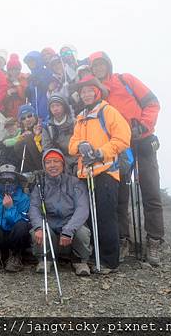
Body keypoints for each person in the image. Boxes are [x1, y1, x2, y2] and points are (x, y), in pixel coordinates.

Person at [90, 51, 164, 265]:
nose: (99, 68)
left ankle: (154, 240)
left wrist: (144, 123)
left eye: (102, 64)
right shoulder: (98, 92)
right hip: (119, 145)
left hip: (142, 139)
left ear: (108, 65)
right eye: (95, 66)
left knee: (150, 190)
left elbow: (152, 102)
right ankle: (123, 238)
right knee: (121, 194)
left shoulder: (125, 79)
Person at [69, 74, 131, 273]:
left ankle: (108, 261)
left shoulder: (108, 111)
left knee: (105, 217)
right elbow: (71, 146)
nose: (86, 94)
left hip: (105, 172)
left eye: (89, 90)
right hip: (85, 175)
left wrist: (100, 152)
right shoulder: (81, 118)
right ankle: (93, 257)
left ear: (97, 92)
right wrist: (81, 145)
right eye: (83, 91)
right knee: (88, 217)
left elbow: (123, 138)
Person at [29, 149, 91, 276]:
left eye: (56, 161)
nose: (52, 165)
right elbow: (34, 207)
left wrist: (69, 229)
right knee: (37, 232)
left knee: (82, 232)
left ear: (63, 164)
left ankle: (80, 260)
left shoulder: (75, 183)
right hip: (49, 223)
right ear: (44, 165)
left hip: (70, 221)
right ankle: (45, 259)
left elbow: (82, 208)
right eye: (48, 162)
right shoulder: (40, 184)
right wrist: (38, 226)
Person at [0, 164, 31, 273]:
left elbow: (24, 220)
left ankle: (15, 256)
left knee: (22, 225)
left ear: (16, 182)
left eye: (10, 181)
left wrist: (10, 208)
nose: (7, 184)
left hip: (14, 234)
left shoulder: (23, 198)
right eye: (3, 181)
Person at [42, 94, 77, 173]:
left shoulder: (75, 123)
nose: (55, 109)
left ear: (64, 106)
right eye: (52, 106)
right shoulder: (47, 127)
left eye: (58, 105)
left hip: (76, 159)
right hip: (58, 160)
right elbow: (47, 148)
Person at [24, 51, 53, 123]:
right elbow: (32, 99)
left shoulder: (48, 72)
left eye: (32, 60)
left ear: (38, 60)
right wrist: (28, 93)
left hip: (48, 112)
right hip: (36, 116)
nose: (30, 63)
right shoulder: (30, 78)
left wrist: (42, 84)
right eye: (28, 62)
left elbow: (52, 88)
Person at [13, 104, 43, 173]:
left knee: (28, 138)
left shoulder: (43, 127)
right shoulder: (22, 132)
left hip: (45, 161)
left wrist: (36, 136)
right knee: (18, 145)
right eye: (23, 118)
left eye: (29, 116)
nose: (27, 119)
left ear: (35, 116)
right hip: (30, 166)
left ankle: (40, 170)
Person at [3, 53, 28, 119]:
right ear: (8, 70)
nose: (14, 71)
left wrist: (17, 85)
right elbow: (2, 99)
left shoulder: (24, 78)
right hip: (8, 113)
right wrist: (8, 94)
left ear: (19, 69)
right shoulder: (4, 80)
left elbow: (24, 95)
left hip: (22, 112)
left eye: (16, 69)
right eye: (11, 69)